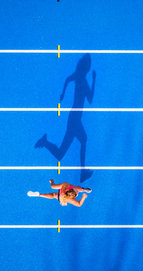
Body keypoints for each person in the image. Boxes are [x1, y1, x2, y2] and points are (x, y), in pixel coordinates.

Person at [35, 54, 96, 183]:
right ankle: (83, 172)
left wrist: (63, 93)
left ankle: (45, 142)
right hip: (75, 119)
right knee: (84, 140)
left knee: (60, 154)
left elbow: (68, 79)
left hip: (72, 117)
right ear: (87, 69)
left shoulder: (78, 77)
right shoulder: (84, 83)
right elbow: (90, 100)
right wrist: (94, 80)